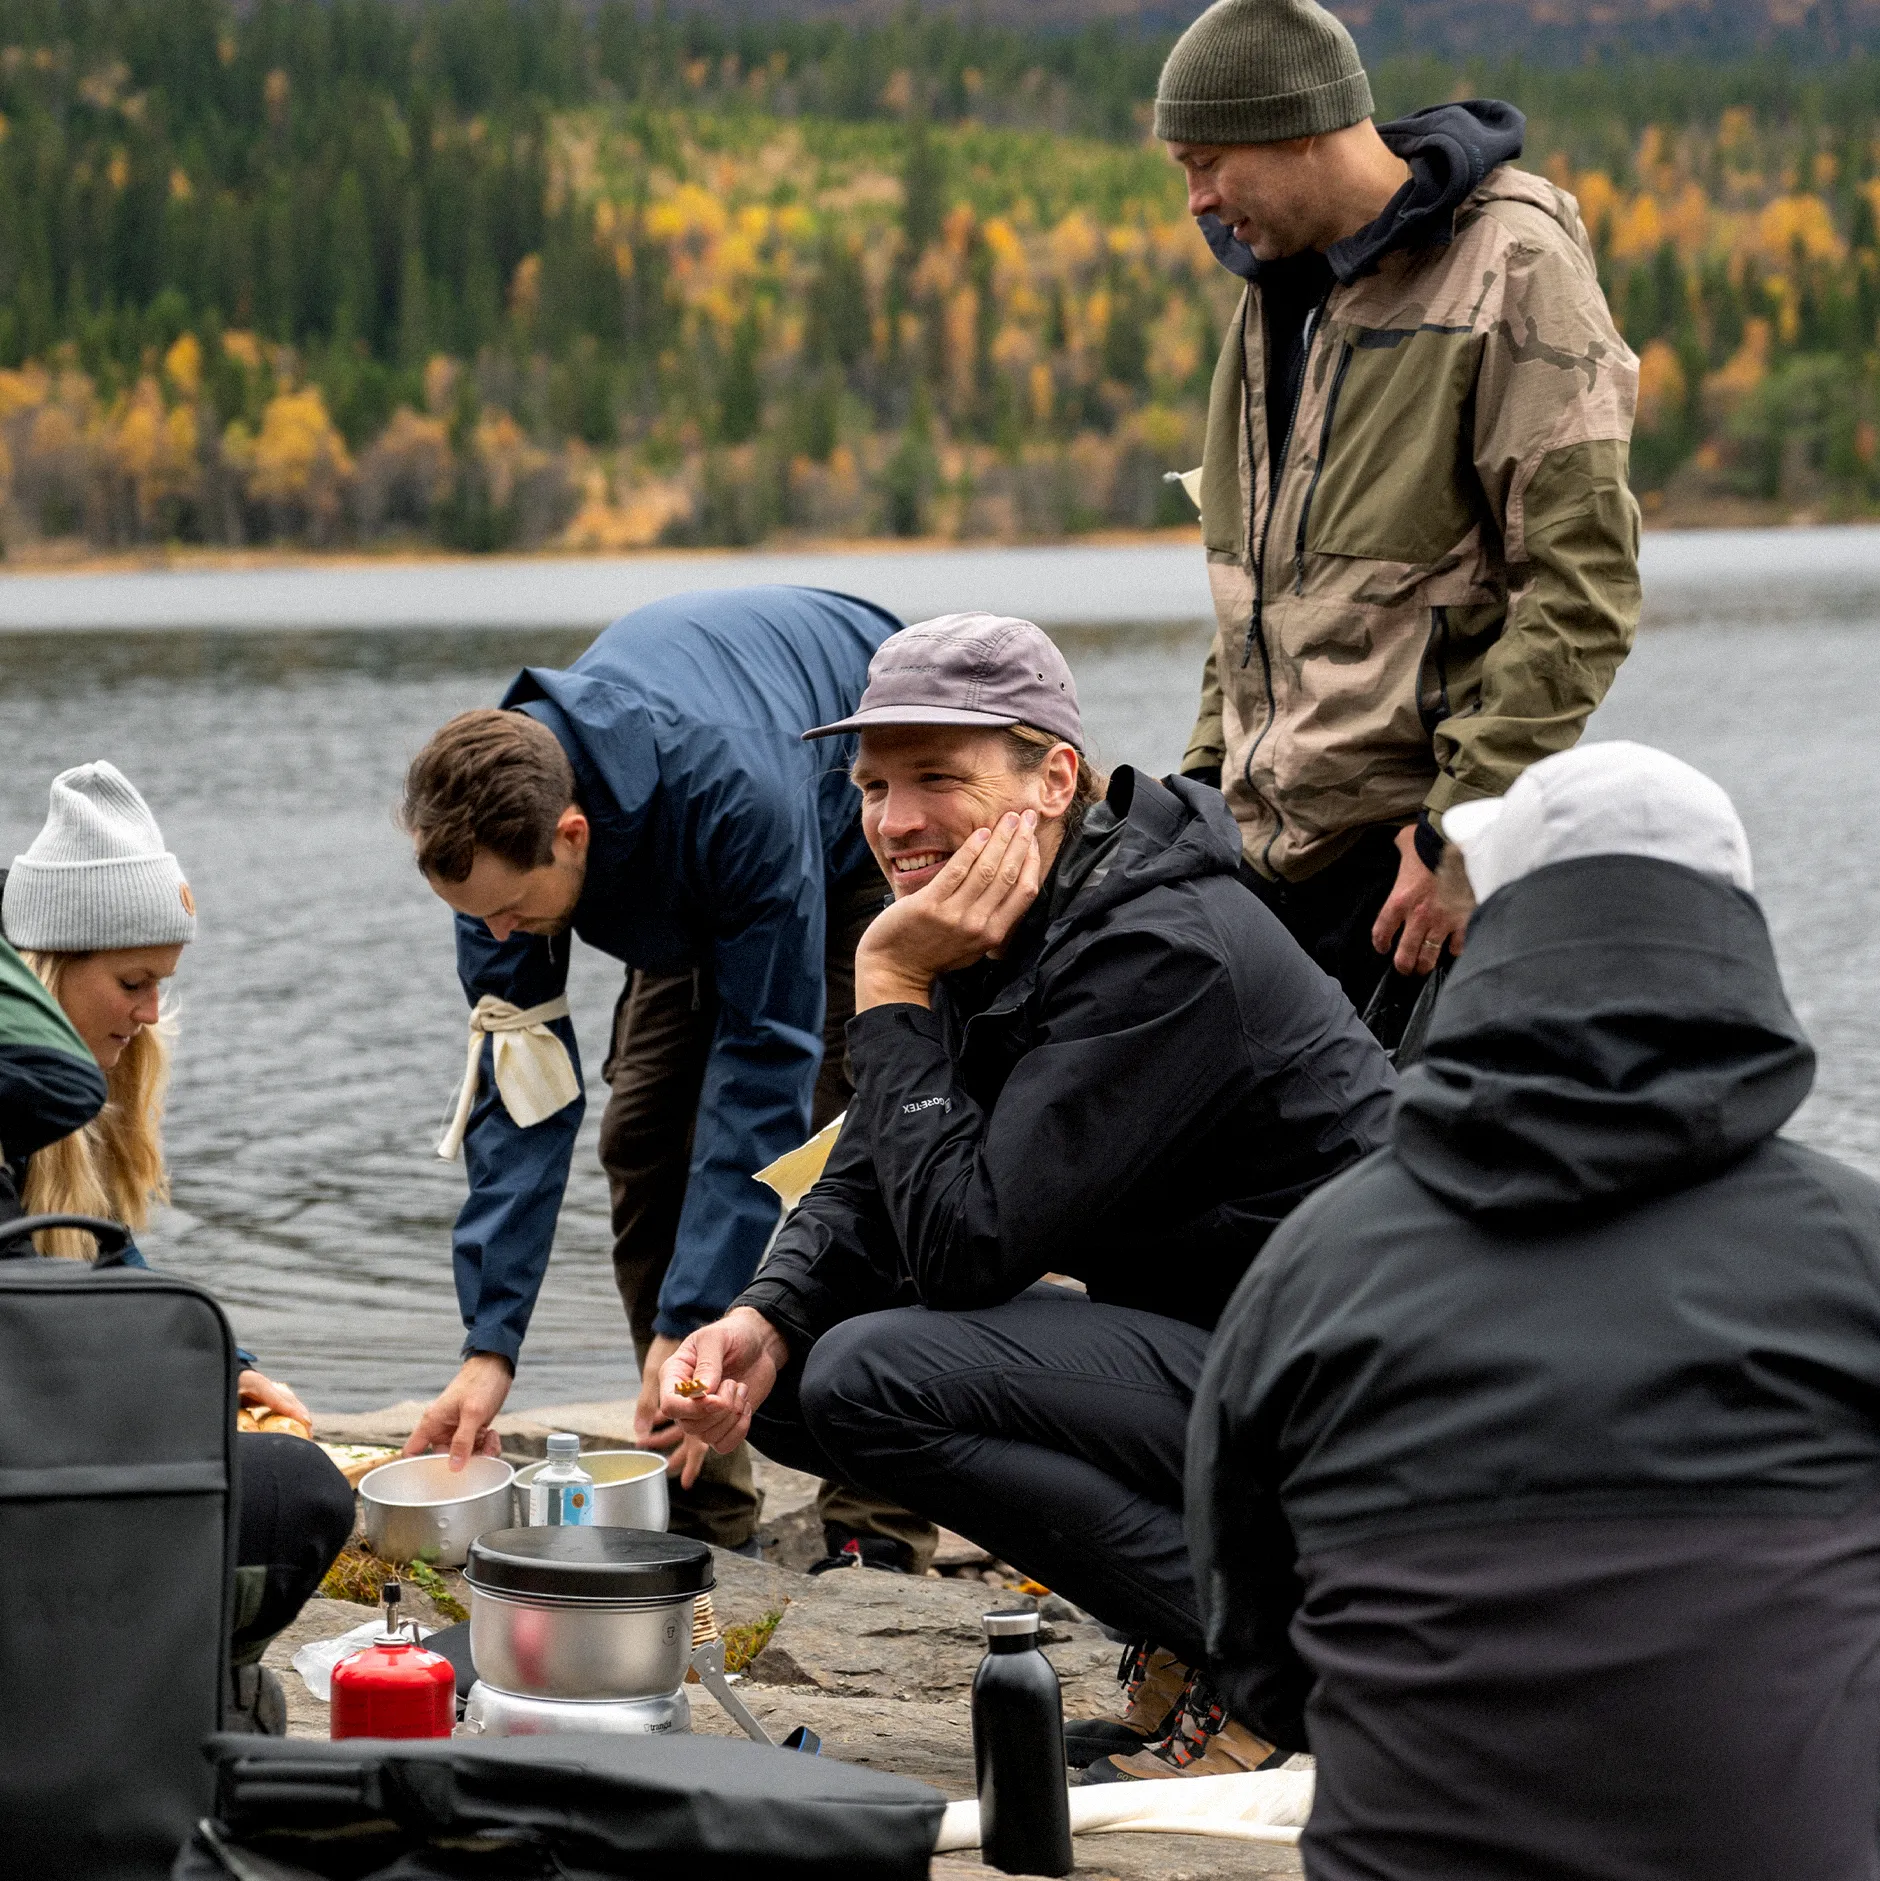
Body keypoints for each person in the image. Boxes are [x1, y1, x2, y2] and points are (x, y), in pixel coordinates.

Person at [657, 612, 1397, 1781]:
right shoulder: (1009, 916)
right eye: (872, 787)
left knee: (871, 1377)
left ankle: (1279, 1670)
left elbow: (967, 1247)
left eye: (936, 779)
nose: (894, 821)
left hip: (1355, 1408)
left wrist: (888, 981)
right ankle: (1191, 1640)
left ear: (1053, 778)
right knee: (791, 1375)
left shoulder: (1156, 950)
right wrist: (766, 1313)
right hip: (1231, 1363)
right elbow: (877, 1170)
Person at [1188, 740, 1880, 1879]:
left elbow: (1255, 1655)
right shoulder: (1857, 1250)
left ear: (1498, 934)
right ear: (1733, 942)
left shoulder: (1317, 1259)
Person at [398, 586, 930, 1568]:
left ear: (571, 834)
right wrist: (490, 1348)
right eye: (477, 918)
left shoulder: (737, 799)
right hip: (680, 862)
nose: (497, 935)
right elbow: (523, 1098)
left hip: (841, 822)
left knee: (844, 1153)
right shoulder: (493, 848)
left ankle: (875, 1521)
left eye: (510, 912)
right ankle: (699, 1494)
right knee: (642, 1134)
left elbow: (763, 1062)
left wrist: (694, 1311)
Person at [1156, 0, 1640, 1042]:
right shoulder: (1274, 292)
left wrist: (1459, 830)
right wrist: (1200, 790)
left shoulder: (1512, 268)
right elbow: (1255, 597)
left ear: (1297, 127)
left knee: (1419, 1150)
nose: (1196, 201)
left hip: (1414, 878)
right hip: (1265, 880)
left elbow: (1581, 590)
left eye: (1206, 163)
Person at [1, 760, 353, 1734]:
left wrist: (225, 1370)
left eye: (163, 981)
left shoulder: (89, 1088)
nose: (152, 1011)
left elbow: (108, 1267)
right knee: (295, 1495)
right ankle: (147, 1709)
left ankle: (153, 1693)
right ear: (47, 967)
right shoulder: (21, 1093)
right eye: (133, 983)